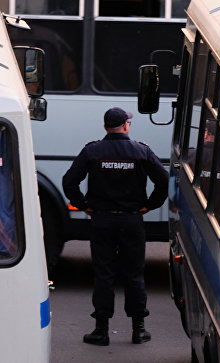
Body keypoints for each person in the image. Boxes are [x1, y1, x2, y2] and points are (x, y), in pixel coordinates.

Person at [62, 107, 169, 346]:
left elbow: (69, 182)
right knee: (134, 274)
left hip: (102, 221)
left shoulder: (92, 151)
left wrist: (83, 205)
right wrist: (150, 205)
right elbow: (163, 181)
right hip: (132, 220)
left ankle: (101, 330)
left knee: (103, 274)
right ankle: (138, 329)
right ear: (126, 126)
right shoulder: (141, 151)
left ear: (105, 127)